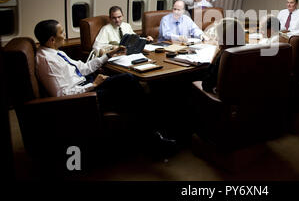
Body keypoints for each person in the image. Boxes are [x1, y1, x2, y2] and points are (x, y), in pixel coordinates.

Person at [34, 20, 176, 150]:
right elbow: (61, 95)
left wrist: (109, 54)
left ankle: (153, 131)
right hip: (82, 98)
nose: (65, 35)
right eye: (62, 32)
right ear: (52, 39)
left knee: (129, 80)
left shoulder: (55, 52)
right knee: (129, 89)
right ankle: (155, 135)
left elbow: (83, 68)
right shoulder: (47, 61)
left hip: (86, 84)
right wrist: (93, 84)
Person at [202, 18, 246, 93]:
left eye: (217, 36)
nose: (216, 38)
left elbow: (206, 85)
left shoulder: (224, 56)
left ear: (223, 39)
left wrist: (214, 57)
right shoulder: (246, 51)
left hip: (222, 97)